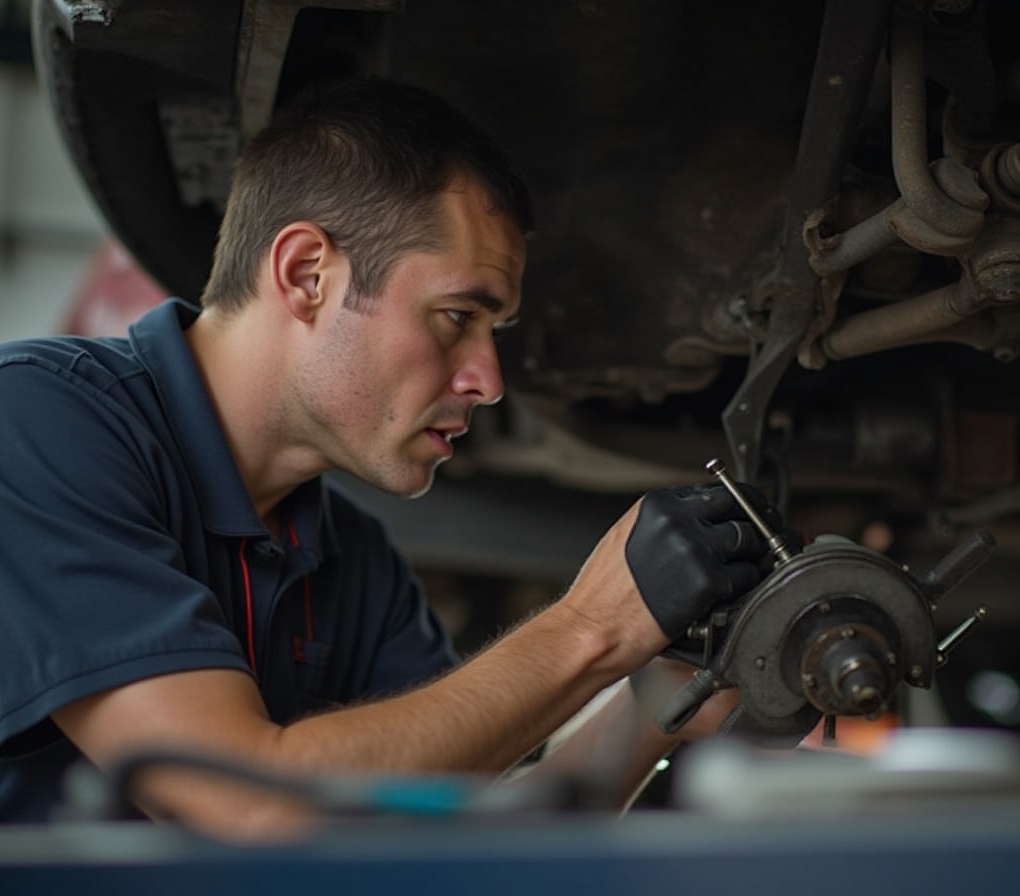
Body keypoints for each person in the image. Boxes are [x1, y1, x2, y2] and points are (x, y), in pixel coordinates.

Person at [0, 77, 777, 834]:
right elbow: (247, 803)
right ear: (307, 274)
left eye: (492, 333)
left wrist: (660, 689)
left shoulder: (354, 562)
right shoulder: (38, 423)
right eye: (454, 316)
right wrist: (590, 626)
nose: (490, 382)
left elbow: (470, 842)